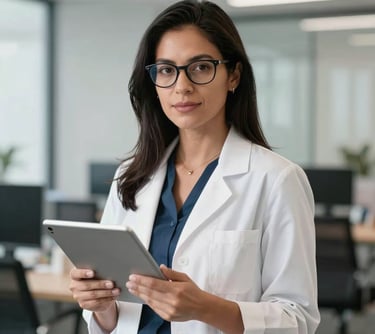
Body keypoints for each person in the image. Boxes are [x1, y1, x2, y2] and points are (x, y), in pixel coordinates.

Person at [69, 1, 320, 333]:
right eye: (166, 70)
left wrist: (207, 308)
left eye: (200, 67)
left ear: (233, 76)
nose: (182, 86)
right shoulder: (131, 176)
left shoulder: (277, 180)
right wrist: (99, 306)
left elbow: (299, 318)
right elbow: (116, 318)